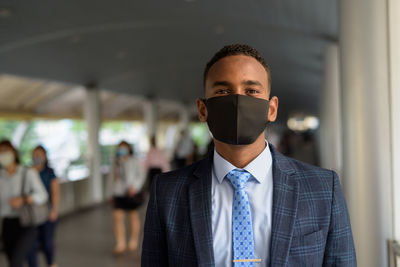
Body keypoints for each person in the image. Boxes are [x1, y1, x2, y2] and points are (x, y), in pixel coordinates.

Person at [142, 44, 356, 266]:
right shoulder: (167, 192)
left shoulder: (322, 188)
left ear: (271, 109)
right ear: (203, 110)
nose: (237, 102)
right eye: (223, 91)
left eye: (251, 91)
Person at [0, 140, 48, 267]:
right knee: (12, 261)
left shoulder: (28, 173)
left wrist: (25, 199)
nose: (3, 155)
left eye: (6, 151)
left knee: (17, 261)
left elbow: (42, 195)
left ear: (14, 153)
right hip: (7, 223)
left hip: (26, 222)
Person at [108, 141, 145, 254]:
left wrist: (135, 187)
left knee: (133, 216)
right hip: (118, 193)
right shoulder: (115, 162)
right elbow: (111, 179)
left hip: (131, 193)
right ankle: (120, 243)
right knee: (117, 217)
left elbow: (141, 175)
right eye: (120, 148)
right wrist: (109, 193)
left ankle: (133, 240)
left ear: (129, 149)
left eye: (124, 148)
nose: (121, 150)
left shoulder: (135, 161)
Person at [27, 145, 60, 267]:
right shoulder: (28, 172)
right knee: (31, 244)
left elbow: (55, 193)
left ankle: (51, 262)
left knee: (47, 242)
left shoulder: (50, 173)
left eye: (40, 155)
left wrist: (54, 210)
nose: (37, 157)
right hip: (31, 213)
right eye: (35, 154)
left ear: (45, 156)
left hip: (46, 211)